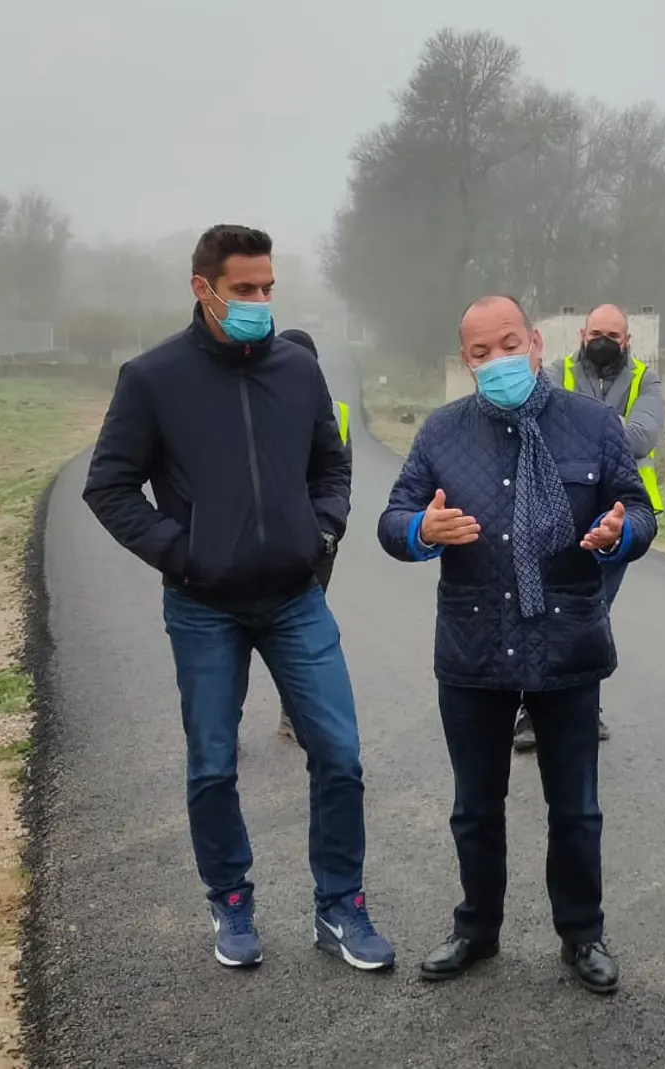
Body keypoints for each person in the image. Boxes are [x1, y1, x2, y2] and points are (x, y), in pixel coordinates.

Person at [83, 224, 393, 973]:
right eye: (245, 289)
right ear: (203, 288)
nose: (259, 301)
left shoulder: (298, 370)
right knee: (213, 765)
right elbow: (109, 486)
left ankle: (341, 907)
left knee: (342, 755)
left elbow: (333, 461)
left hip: (295, 597)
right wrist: (181, 555)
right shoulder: (152, 378)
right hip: (203, 604)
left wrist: (322, 531)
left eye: (268, 288)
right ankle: (230, 902)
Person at [378, 294, 656, 995]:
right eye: (480, 352)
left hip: (568, 642)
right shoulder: (443, 432)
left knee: (577, 807)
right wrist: (420, 532)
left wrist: (619, 532)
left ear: (534, 342)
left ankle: (582, 933)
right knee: (475, 804)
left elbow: (640, 508)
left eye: (508, 343)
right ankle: (476, 928)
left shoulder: (594, 424)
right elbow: (393, 516)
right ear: (466, 360)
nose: (497, 360)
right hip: (475, 645)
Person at [511, 303, 665, 751]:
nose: (603, 341)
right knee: (541, 609)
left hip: (618, 515)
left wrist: (584, 424)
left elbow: (643, 437)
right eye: (596, 332)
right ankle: (530, 712)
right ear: (581, 333)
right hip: (553, 509)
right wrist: (608, 427)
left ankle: (583, 708)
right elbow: (541, 428)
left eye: (613, 335)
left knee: (592, 614)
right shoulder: (556, 371)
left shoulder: (644, 378)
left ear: (627, 339)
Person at [271, 327, 350, 746]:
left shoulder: (335, 411)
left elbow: (340, 475)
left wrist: (329, 528)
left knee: (299, 630)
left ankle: (292, 712)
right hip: (267, 540)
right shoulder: (261, 402)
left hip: (316, 543)